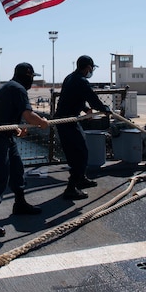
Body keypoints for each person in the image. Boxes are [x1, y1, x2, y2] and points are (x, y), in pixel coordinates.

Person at [0, 63, 50, 237]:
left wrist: (15, 129)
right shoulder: (18, 89)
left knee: (17, 168)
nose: (32, 80)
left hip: (4, 135)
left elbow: (4, 115)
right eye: (32, 77)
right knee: (0, 177)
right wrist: (42, 122)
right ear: (28, 76)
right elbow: (28, 115)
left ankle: (20, 203)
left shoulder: (11, 87)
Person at [54, 55, 111, 200]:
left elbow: (71, 97)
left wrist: (85, 109)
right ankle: (71, 188)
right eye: (91, 68)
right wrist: (105, 109)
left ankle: (81, 178)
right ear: (88, 68)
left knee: (81, 149)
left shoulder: (70, 78)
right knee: (79, 154)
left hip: (66, 120)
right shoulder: (82, 81)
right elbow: (93, 100)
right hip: (67, 122)